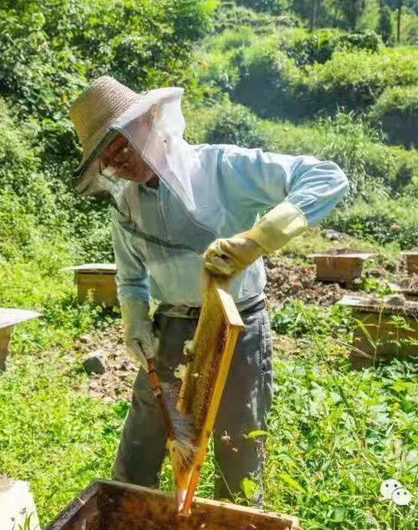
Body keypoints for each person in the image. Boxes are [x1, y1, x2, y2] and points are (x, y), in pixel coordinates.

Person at [68, 76, 348, 506]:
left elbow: (325, 177)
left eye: (121, 144)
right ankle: (124, 514)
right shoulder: (126, 203)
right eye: (106, 158)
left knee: (238, 441)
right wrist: (135, 318)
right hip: (172, 324)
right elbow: (131, 276)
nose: (118, 162)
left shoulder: (222, 167)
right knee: (143, 438)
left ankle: (235, 516)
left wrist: (259, 238)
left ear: (150, 121)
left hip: (239, 324)